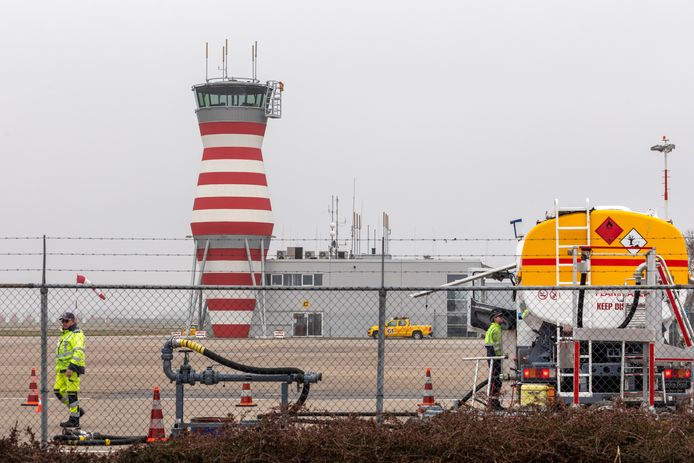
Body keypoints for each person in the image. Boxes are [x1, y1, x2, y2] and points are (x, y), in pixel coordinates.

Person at [54, 312, 86, 428]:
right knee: (58, 391)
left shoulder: (77, 334)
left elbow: (79, 352)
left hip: (71, 368)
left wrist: (71, 367)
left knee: (72, 393)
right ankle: (77, 411)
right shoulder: (64, 334)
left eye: (66, 321)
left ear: (73, 321)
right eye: (62, 321)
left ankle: (74, 419)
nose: (64, 323)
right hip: (61, 369)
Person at [484, 310, 504, 410]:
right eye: (499, 317)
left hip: (493, 356)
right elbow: (497, 346)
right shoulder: (496, 329)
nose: (502, 318)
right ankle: (493, 403)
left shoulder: (492, 328)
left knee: (495, 380)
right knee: (496, 381)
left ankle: (494, 403)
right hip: (495, 357)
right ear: (495, 319)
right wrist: (500, 357)